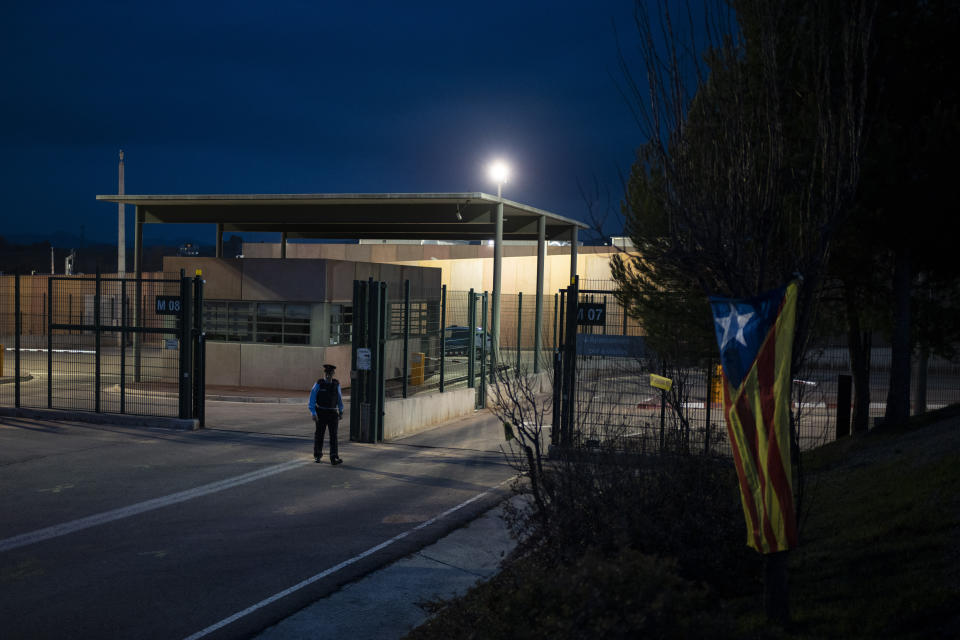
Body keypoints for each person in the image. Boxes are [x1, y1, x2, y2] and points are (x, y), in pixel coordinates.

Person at [308, 364, 344, 465]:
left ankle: (334, 457)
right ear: (325, 373)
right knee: (319, 435)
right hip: (321, 412)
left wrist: (341, 411)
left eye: (330, 373)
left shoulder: (336, 384)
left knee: (334, 436)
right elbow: (312, 399)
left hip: (333, 413)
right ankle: (318, 455)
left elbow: (339, 398)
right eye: (327, 373)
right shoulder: (319, 383)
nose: (328, 375)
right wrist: (313, 412)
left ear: (333, 373)